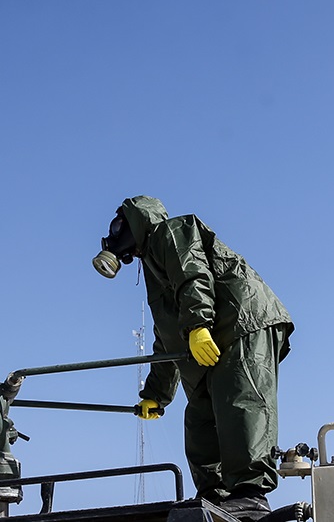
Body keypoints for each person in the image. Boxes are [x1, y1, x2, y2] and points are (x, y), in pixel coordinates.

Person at [92, 196, 293, 517]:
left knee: (239, 399)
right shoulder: (152, 267)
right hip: (209, 333)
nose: (115, 235)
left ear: (136, 221)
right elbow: (166, 336)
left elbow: (194, 275)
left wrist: (198, 324)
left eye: (119, 226)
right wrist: (155, 394)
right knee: (200, 415)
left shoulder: (171, 231)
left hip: (241, 320)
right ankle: (216, 495)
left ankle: (251, 492)